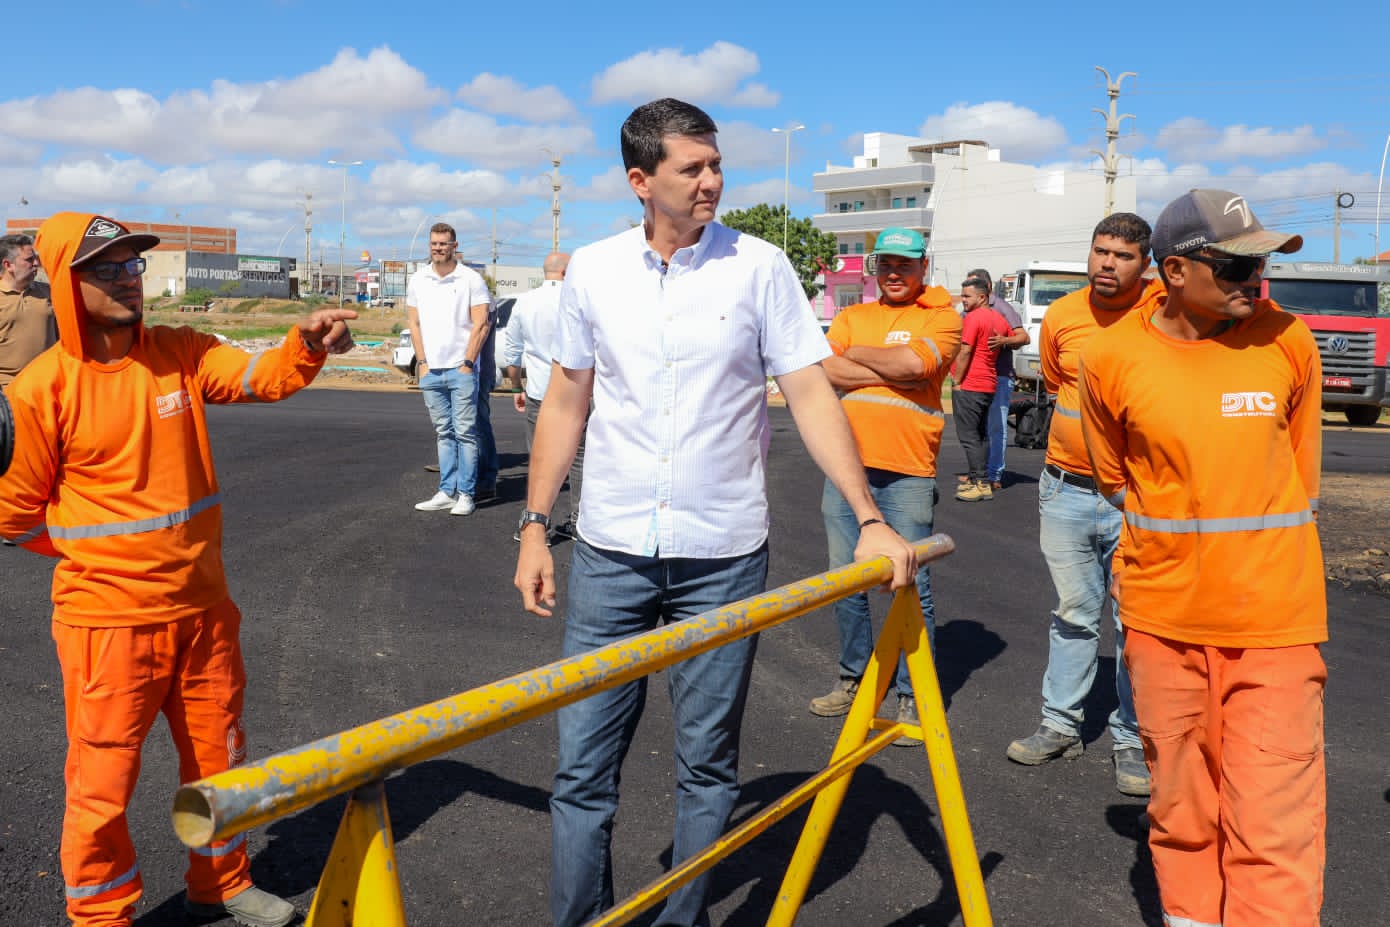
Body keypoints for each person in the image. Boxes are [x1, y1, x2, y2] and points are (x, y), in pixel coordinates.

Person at [513, 98, 916, 927]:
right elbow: (566, 399)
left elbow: (810, 392)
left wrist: (868, 513)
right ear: (640, 180)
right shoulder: (594, 270)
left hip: (723, 557)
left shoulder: (759, 267)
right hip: (611, 553)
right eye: (691, 167)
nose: (712, 181)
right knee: (582, 769)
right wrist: (532, 525)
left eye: (716, 164)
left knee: (707, 768)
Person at [0, 212, 356, 927]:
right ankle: (101, 913)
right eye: (107, 269)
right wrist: (96, 558)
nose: (128, 280)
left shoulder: (181, 351)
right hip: (107, 624)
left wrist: (305, 345)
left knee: (220, 764)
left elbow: (259, 376)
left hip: (203, 612)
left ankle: (221, 880)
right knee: (101, 782)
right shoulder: (40, 388)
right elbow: (13, 515)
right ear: (67, 283)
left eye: (132, 265)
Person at [1080, 189, 1324, 926]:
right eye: (1237, 266)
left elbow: (1301, 475)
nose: (1256, 279)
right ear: (1177, 271)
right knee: (1182, 808)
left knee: (1273, 816)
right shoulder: (1111, 357)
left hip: (1275, 623)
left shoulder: (1289, 340)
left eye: (1261, 264)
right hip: (1163, 622)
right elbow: (1116, 478)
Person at [1005, 212, 1163, 796]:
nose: (1107, 264)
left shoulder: (1162, 313)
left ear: (1146, 264)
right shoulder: (1064, 315)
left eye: (1122, 256)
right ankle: (1060, 725)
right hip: (1065, 488)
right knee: (1073, 613)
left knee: (1135, 622)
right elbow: (1055, 381)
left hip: (1138, 498)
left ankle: (1132, 740)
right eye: (1100, 251)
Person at [809, 227, 961, 748]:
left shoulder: (942, 317)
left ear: (923, 268)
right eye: (887, 264)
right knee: (845, 580)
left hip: (909, 469)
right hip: (847, 470)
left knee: (910, 581)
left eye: (905, 264)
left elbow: (917, 364)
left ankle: (912, 694)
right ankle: (854, 679)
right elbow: (824, 370)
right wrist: (892, 370)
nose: (894, 273)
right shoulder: (852, 315)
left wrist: (861, 358)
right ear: (875, 268)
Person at [407, 223, 494, 515]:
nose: (438, 248)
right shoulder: (419, 279)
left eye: (443, 243)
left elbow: (482, 324)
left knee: (465, 433)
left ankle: (466, 494)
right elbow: (414, 323)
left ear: (454, 246)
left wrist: (468, 363)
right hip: (431, 371)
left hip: (461, 370)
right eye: (434, 243)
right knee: (444, 432)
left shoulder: (470, 279)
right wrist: (422, 363)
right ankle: (446, 491)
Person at [501, 251, 583, 540]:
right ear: (566, 272)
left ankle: (538, 522)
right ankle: (578, 520)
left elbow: (512, 353)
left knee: (540, 457)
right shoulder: (579, 299)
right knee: (579, 457)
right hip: (577, 391)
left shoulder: (524, 302)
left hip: (539, 391)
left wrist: (516, 387)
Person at [964, 268, 1027, 490]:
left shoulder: (1002, 308)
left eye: (973, 285)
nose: (968, 291)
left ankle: (994, 474)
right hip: (976, 378)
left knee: (996, 426)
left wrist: (1003, 341)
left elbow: (1023, 337)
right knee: (976, 428)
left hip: (999, 376)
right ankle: (978, 473)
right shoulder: (969, 311)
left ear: (987, 288)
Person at [951, 277, 1008, 501]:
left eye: (967, 296)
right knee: (980, 435)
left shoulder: (974, 318)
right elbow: (1016, 338)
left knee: (969, 436)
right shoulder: (998, 318)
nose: (963, 300)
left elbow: (965, 351)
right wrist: (1003, 341)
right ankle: (979, 480)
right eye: (962, 295)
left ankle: (981, 483)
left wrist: (957, 380)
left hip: (971, 384)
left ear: (982, 297)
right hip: (988, 384)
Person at [0, 233, 57, 389]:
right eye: (29, 260)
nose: (36, 263)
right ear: (8, 265)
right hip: (8, 389)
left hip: (47, 385)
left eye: (35, 258)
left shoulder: (49, 292)